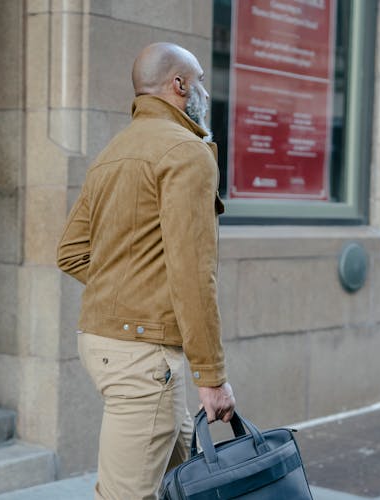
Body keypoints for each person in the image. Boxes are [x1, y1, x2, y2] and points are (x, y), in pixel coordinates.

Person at [56, 42, 235, 500]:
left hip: (103, 343)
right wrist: (211, 378)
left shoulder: (112, 153)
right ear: (178, 86)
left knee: (189, 485)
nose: (204, 93)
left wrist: (127, 288)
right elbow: (193, 274)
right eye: (199, 80)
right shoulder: (187, 152)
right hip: (142, 357)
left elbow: (72, 252)